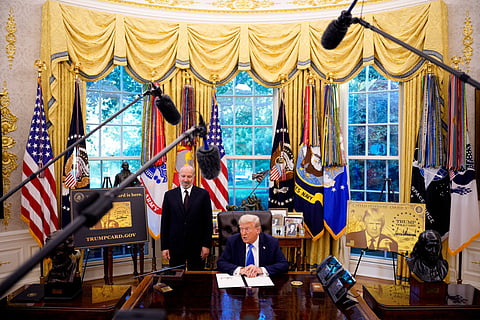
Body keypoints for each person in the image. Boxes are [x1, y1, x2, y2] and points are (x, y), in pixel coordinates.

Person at [160, 165, 213, 270]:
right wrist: (164, 247)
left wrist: (206, 245)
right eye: (183, 176)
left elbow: (208, 223)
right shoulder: (169, 195)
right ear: (179, 176)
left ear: (193, 177)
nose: (186, 180)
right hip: (175, 245)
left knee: (196, 279)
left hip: (197, 246)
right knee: (176, 278)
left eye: (189, 177)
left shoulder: (203, 195)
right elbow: (165, 223)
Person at [216, 214, 289, 277]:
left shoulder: (271, 242)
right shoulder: (233, 241)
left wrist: (261, 270)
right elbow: (221, 263)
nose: (243, 233)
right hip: (239, 285)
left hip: (263, 286)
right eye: (241, 229)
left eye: (247, 229)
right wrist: (241, 270)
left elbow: (283, 265)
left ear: (258, 230)